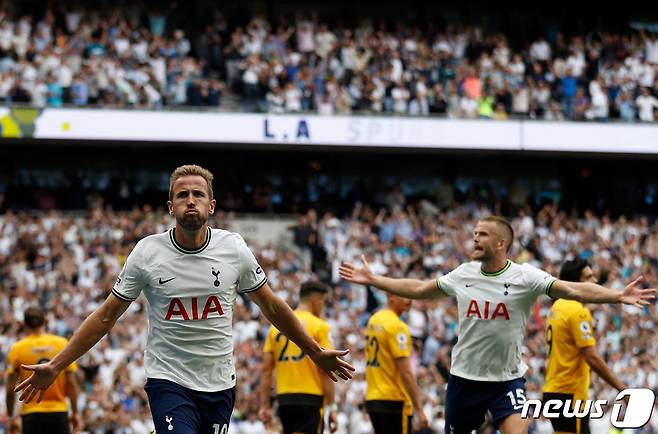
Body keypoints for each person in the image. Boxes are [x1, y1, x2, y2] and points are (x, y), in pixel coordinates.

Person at [14, 164, 354, 434]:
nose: (190, 200)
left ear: (211, 205)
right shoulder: (147, 252)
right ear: (170, 206)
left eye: (197, 194)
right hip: (169, 379)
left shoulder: (233, 248)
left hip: (219, 381)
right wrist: (57, 365)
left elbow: (273, 306)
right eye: (182, 195)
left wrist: (314, 351)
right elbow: (105, 317)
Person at [339, 215, 654, 434]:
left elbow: (573, 289)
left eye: (482, 234)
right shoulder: (464, 273)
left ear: (501, 243)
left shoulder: (525, 277)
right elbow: (420, 289)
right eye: (474, 233)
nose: (475, 238)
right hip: (465, 379)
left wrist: (616, 295)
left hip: (508, 380)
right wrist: (376, 280)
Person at [543, 258, 626, 434]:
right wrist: (622, 388)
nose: (594, 282)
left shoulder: (557, 306)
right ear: (576, 283)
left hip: (554, 390)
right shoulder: (577, 311)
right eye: (589, 277)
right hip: (570, 394)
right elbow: (592, 357)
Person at [259, 281, 338, 434]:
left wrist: (265, 406)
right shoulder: (320, 326)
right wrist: (332, 407)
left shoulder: (276, 327)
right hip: (310, 398)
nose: (323, 306)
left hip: (284, 398)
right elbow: (326, 369)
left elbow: (266, 371)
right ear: (316, 300)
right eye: (323, 301)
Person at [5, 307, 79, 434]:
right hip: (59, 413)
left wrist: (11, 417)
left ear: (24, 324)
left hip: (31, 415)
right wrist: (75, 412)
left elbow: (10, 390)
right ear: (45, 321)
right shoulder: (61, 343)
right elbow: (71, 383)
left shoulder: (17, 348)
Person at [364, 293, 429, 434]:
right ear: (391, 296)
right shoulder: (398, 326)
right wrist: (419, 409)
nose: (409, 300)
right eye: (404, 295)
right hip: (394, 399)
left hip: (373, 398)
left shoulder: (374, 320)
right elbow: (406, 373)